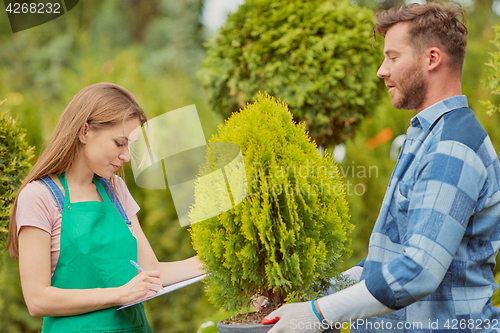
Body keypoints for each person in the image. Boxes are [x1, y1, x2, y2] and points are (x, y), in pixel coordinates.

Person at [264, 2, 500, 332]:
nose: (381, 70)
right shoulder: (428, 136)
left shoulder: (453, 147)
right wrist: (308, 296)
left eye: (392, 56)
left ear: (431, 59)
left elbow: (418, 271)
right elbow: (388, 262)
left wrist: (318, 314)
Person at [7, 82, 204, 332]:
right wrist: (120, 295)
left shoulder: (116, 189)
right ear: (84, 131)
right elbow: (37, 300)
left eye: (130, 147)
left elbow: (152, 270)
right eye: (119, 143)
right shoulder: (39, 196)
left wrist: (213, 262)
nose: (126, 157)